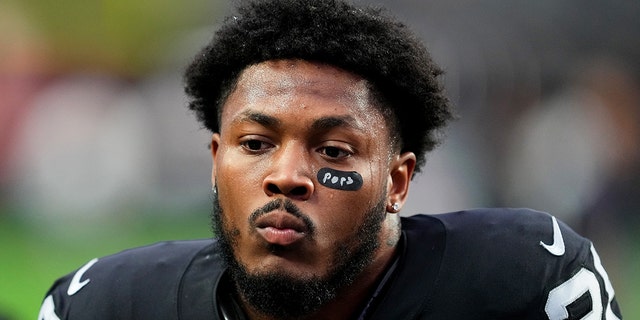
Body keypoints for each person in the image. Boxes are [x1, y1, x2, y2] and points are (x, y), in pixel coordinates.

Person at [38, 0, 622, 319]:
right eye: (256, 144)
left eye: (333, 151)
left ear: (397, 181)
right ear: (215, 161)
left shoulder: (521, 282)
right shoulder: (106, 305)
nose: (287, 177)